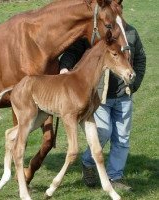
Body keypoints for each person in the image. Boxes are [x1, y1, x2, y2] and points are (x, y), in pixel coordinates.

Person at [59, 0, 146, 191]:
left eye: (119, 6)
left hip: (124, 96)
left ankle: (114, 176)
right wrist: (65, 67)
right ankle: (88, 162)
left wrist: (135, 84)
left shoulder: (131, 33)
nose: (117, 9)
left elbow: (140, 58)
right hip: (100, 95)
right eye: (113, 6)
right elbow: (74, 50)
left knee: (122, 139)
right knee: (104, 132)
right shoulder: (99, 33)